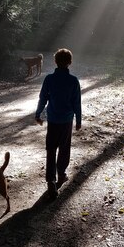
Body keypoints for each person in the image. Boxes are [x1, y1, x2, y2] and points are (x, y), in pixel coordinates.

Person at [35, 48, 81, 198]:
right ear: (70, 62)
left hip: (53, 120)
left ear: (55, 61)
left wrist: (38, 114)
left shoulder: (49, 79)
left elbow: (43, 98)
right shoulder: (73, 81)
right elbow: (77, 103)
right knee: (64, 148)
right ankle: (61, 174)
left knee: (51, 149)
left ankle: (51, 181)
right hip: (67, 121)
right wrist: (78, 120)